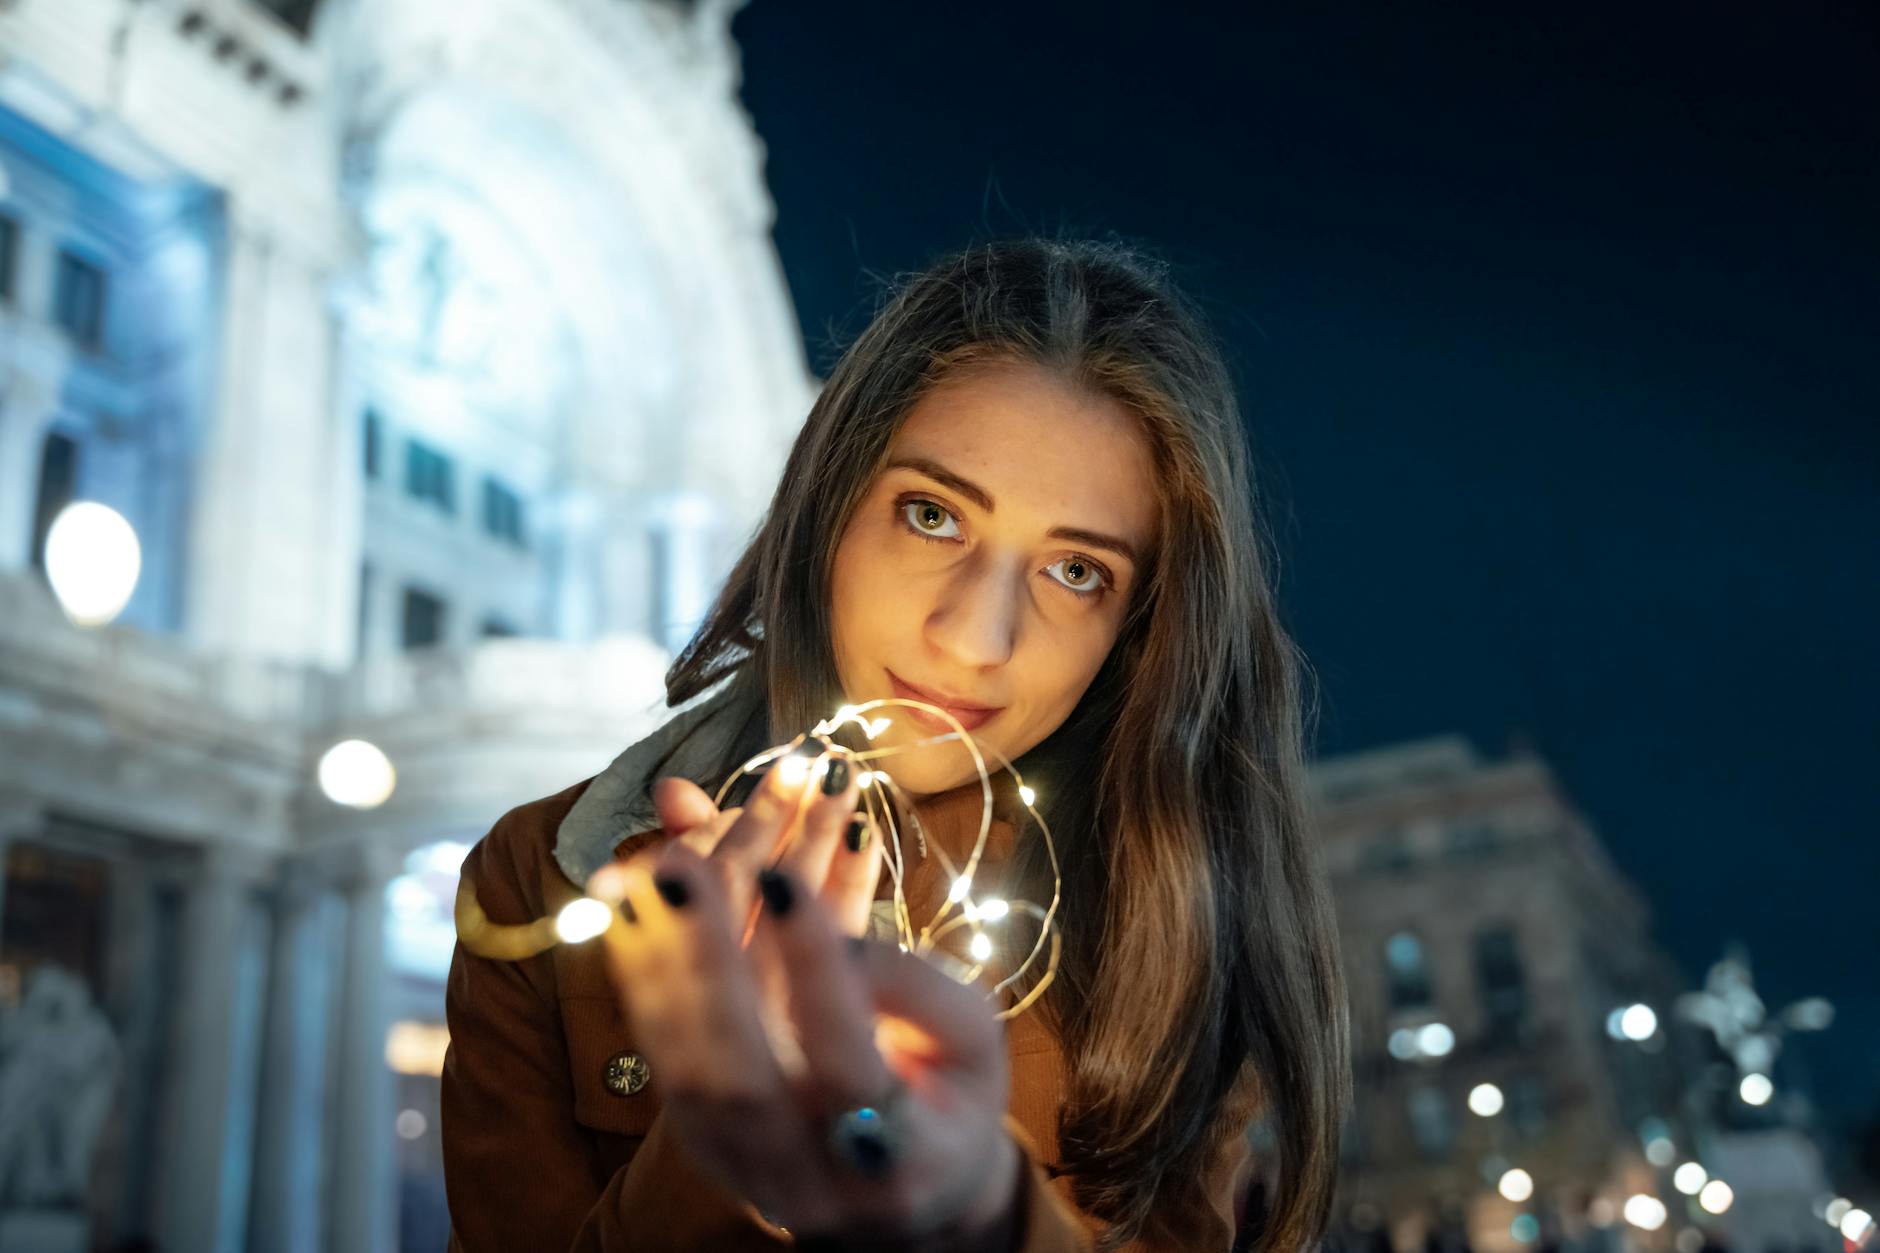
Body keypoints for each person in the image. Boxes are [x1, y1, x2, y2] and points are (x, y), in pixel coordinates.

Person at [440, 237, 1352, 1251]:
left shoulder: (1163, 924)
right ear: (829, 507)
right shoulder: (544, 877)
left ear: (1135, 633)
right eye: (931, 515)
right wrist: (728, 1139)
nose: (973, 636)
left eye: (1075, 572)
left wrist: (971, 1201)